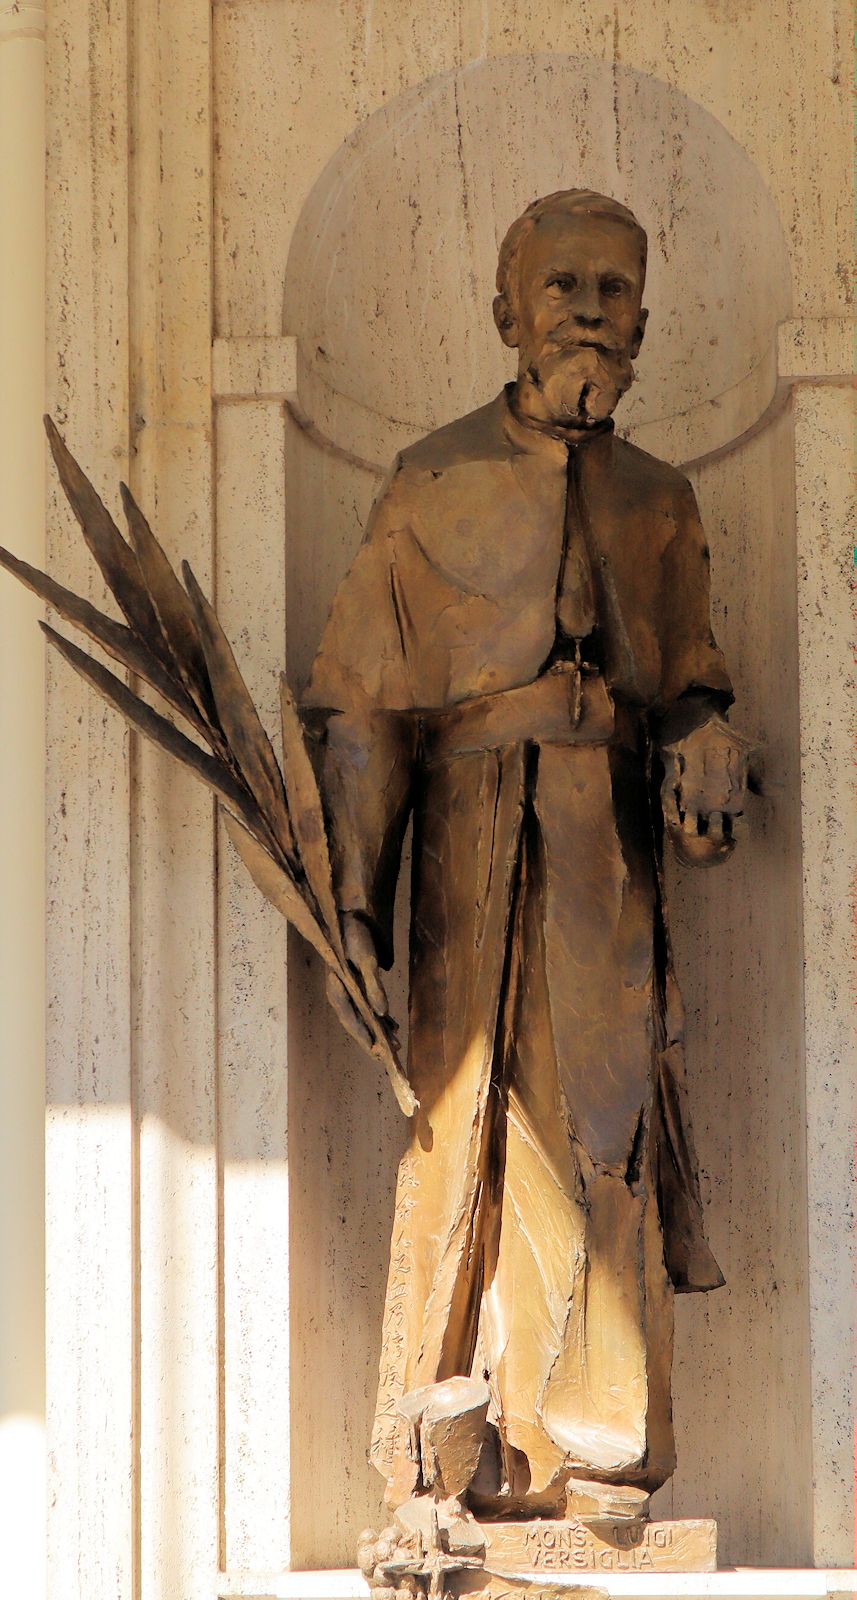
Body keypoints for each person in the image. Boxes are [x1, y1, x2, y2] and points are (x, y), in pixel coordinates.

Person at [302, 190, 749, 1520]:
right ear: (506, 312)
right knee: (462, 1134)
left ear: (646, 324)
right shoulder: (428, 480)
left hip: (602, 850)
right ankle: (435, 1453)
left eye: (613, 292)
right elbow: (362, 709)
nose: (588, 314)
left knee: (600, 1132)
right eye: (561, 287)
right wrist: (354, 908)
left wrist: (707, 735)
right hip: (462, 842)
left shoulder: (660, 501)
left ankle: (600, 1454)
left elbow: (690, 677)